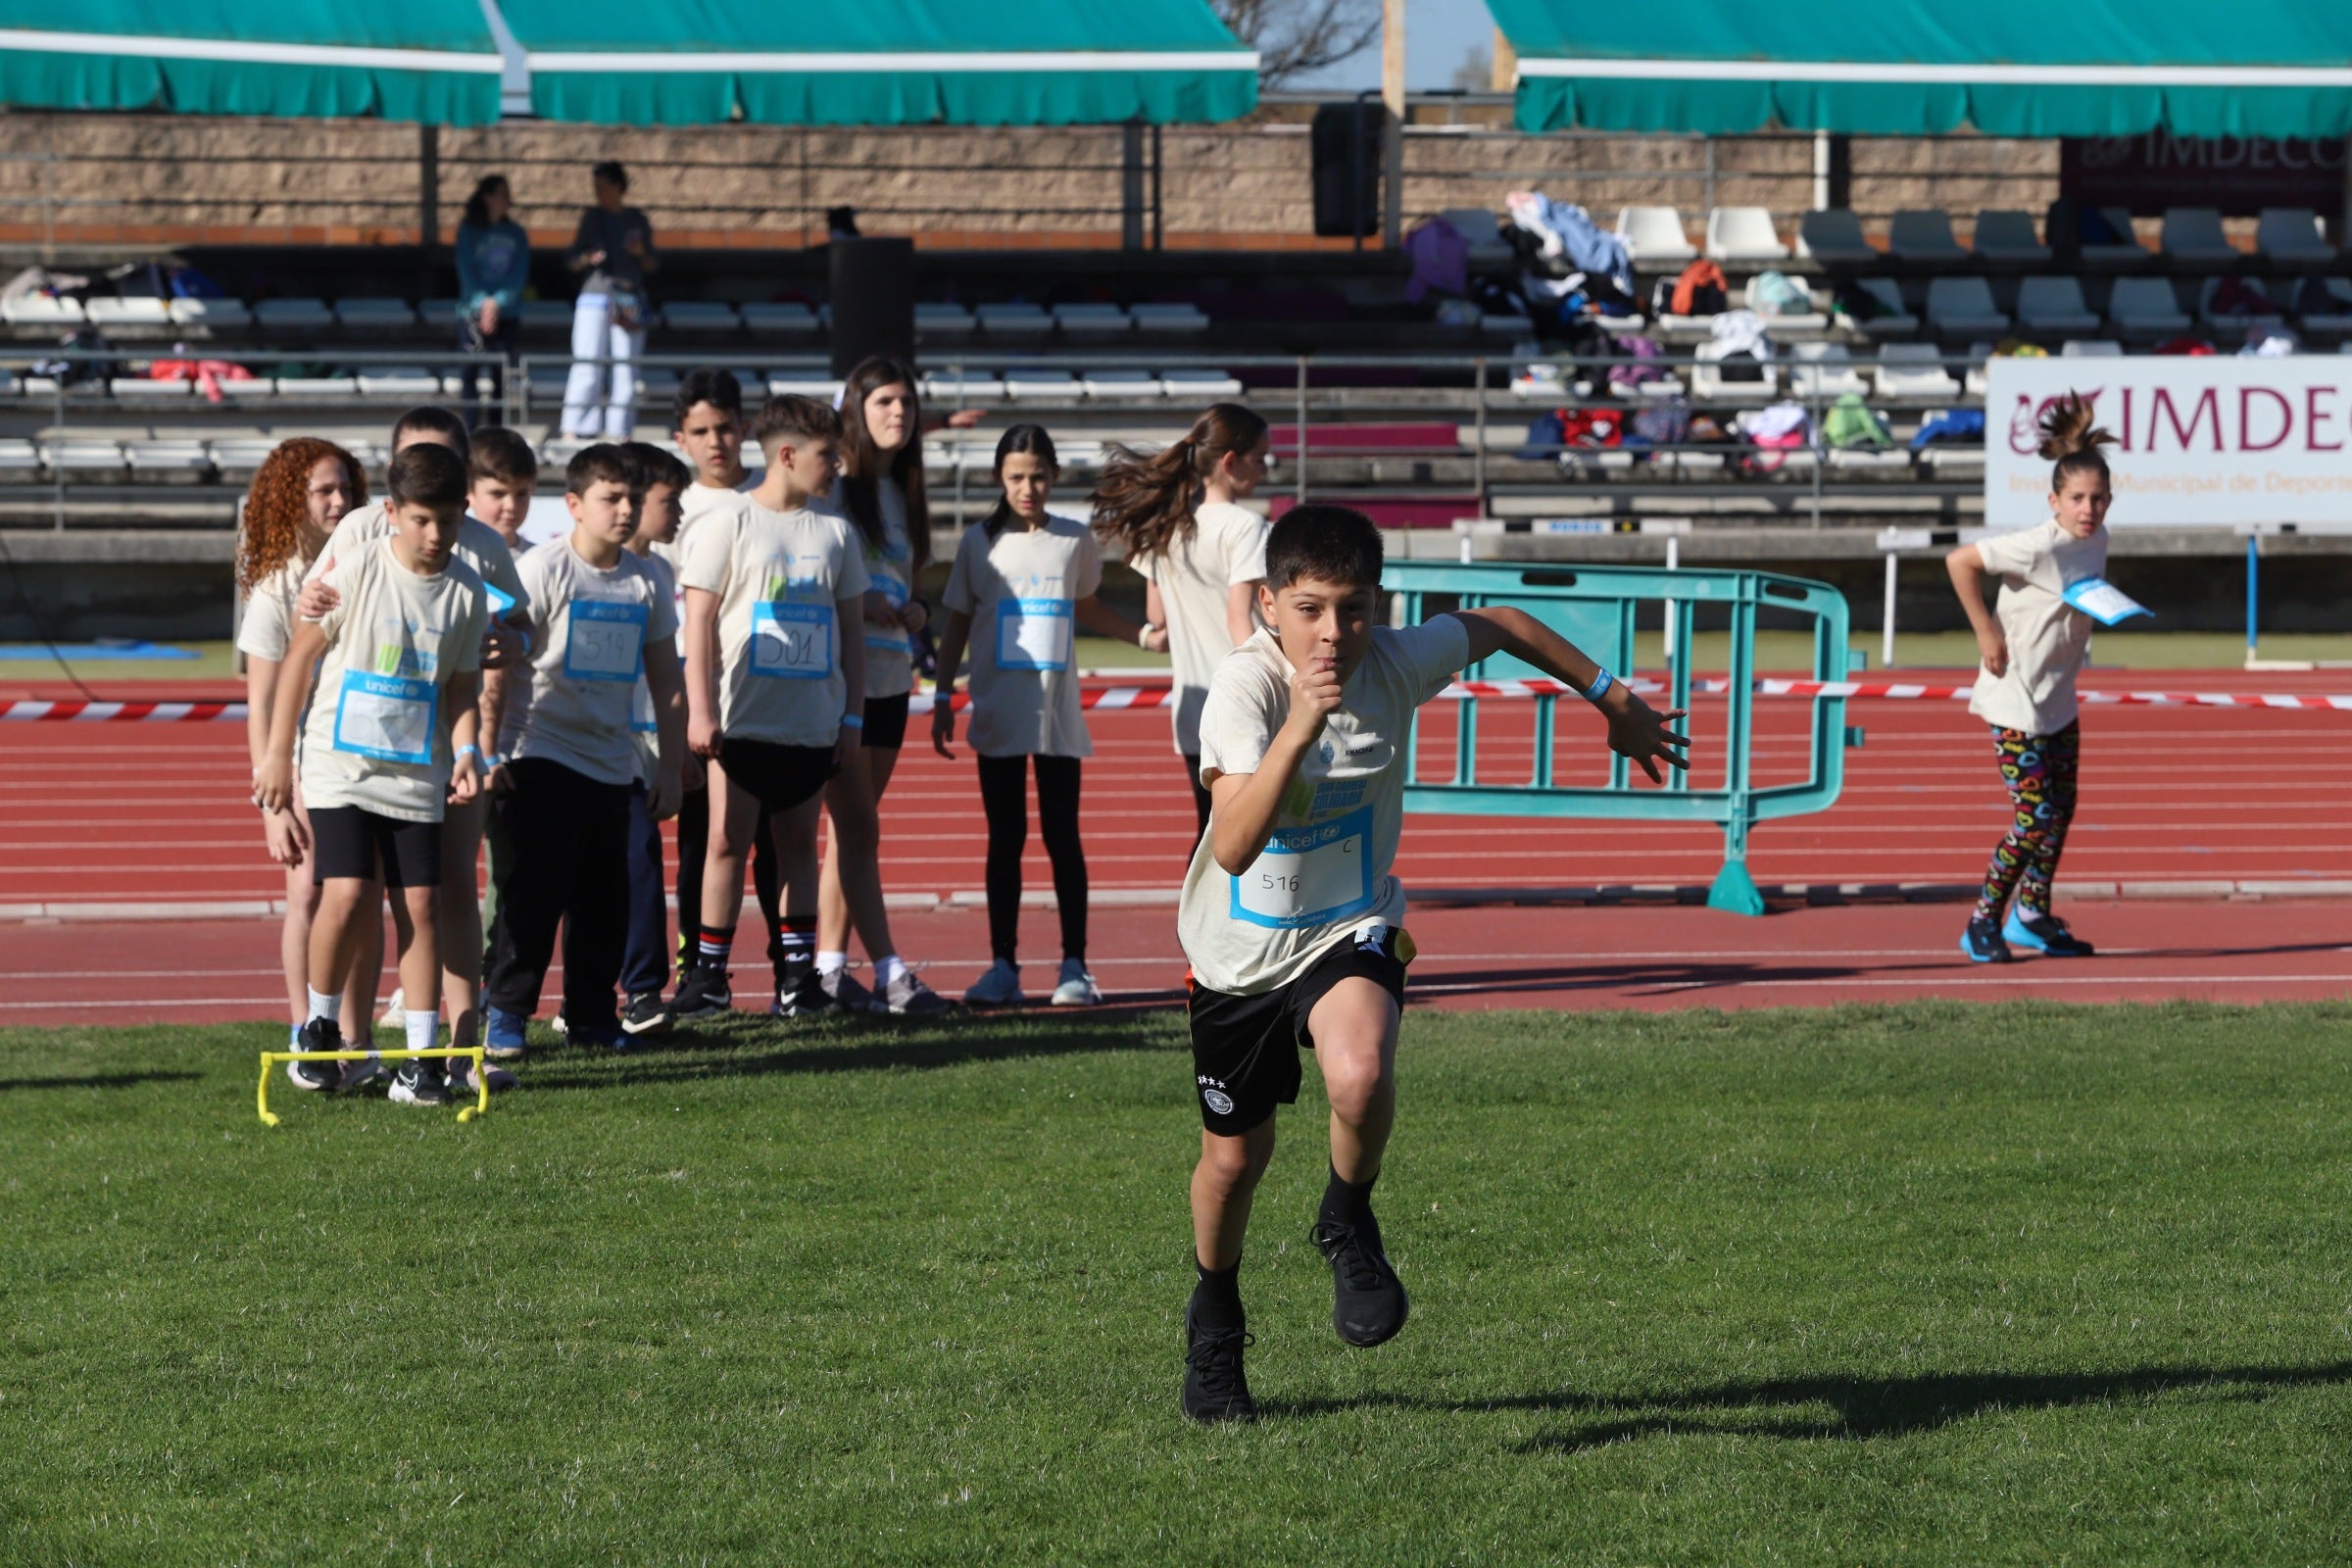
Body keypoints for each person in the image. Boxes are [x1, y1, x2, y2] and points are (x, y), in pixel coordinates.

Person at [1173, 505, 1689, 1421]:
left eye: (1355, 608)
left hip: (1348, 928)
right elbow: (1239, 847)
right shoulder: (1244, 691)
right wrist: (1302, 725)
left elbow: (1505, 624)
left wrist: (1611, 697)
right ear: (1270, 608)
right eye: (1310, 609)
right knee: (1233, 1163)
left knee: (1360, 1073)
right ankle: (1215, 1321)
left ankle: (1347, 1216)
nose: (1335, 632)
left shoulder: (1396, 662)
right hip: (1239, 959)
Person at [298, 407, 530, 1088]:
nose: (433, 524)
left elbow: (521, 625)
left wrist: (513, 641)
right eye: (412, 459)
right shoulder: (361, 531)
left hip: (446, 750)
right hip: (358, 749)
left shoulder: (479, 547)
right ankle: (351, 1041)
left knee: (443, 892)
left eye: (442, 459)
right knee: (356, 892)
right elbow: (314, 612)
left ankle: (456, 1050)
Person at [254, 444, 491, 1108]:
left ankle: (420, 1059)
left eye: (447, 520)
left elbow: (462, 689)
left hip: (415, 772)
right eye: (420, 520)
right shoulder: (358, 568)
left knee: (421, 906)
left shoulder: (467, 592)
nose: (435, 534)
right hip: (340, 765)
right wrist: (277, 757)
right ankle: (320, 1026)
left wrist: (467, 751)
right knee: (348, 890)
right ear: (391, 513)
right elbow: (299, 660)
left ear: (463, 513)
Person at [929, 424, 1163, 1008]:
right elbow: (956, 621)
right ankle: (1002, 967)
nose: (1027, 487)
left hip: (1056, 719)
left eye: (1037, 476)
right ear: (998, 479)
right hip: (998, 714)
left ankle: (1075, 966)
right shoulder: (978, 544)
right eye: (1016, 477)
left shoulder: (1072, 540)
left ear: (1054, 476)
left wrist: (1141, 636)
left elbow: (1088, 607)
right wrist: (941, 696)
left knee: (1063, 838)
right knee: (1005, 840)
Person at [669, 394, 870, 1021]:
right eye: (826, 455)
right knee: (725, 841)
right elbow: (698, 622)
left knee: (797, 845)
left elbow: (853, 633)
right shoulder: (729, 522)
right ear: (787, 454)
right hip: (741, 718)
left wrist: (852, 717)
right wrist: (701, 711)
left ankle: (797, 979)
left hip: (810, 721)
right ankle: (708, 977)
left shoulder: (836, 532)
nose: (836, 465)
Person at [480, 446, 686, 1057]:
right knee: (535, 891)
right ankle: (507, 1013)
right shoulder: (543, 570)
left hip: (612, 761)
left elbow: (667, 681)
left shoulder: (648, 579)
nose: (625, 510)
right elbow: (497, 659)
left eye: (633, 499)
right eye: (610, 498)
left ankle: (592, 1016)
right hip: (538, 749)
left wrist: (671, 767)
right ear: (573, 504)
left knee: (604, 897)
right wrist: (489, 751)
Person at [1944, 394, 2113, 964]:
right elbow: (1960, 561)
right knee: (2034, 816)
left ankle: (2033, 915)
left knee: (2061, 808)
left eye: (2097, 499)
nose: (2088, 508)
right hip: (2014, 698)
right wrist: (1986, 631)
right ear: (2054, 501)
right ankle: (1982, 920)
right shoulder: (2038, 544)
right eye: (2077, 499)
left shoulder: (2099, 539)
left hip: (2057, 698)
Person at [813, 356, 955, 1015]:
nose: (899, 413)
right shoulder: (836, 488)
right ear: (855, 410)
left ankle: (830, 967)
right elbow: (818, 571)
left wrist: (917, 611)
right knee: (856, 827)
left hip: (893, 675)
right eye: (884, 402)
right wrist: (857, 600)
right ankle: (870, 971)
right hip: (844, 677)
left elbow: (909, 582)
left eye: (907, 402)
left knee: (855, 830)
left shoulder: (904, 492)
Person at [236, 437, 373, 1080]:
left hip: (364, 754)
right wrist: (273, 802)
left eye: (346, 488)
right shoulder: (278, 587)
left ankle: (355, 1035)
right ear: (292, 499)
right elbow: (262, 704)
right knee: (310, 892)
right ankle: (305, 1028)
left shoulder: (370, 562)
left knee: (360, 896)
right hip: (302, 764)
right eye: (323, 490)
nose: (338, 501)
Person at [662, 368, 790, 1004]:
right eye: (701, 431)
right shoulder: (674, 509)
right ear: (681, 439)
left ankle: (791, 968)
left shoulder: (772, 498)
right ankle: (699, 969)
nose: (716, 442)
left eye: (726, 427)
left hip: (772, 698)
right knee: (703, 842)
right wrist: (685, 708)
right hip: (702, 704)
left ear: (746, 428)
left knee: (777, 840)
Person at [1091, 402, 1272, 836]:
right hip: (1241, 703)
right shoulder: (1245, 526)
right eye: (1260, 458)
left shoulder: (1168, 526)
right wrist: (1282, 680)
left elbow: (1157, 619)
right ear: (1230, 461)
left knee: (1211, 832)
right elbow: (1238, 619)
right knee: (1251, 834)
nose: (1265, 469)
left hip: (1193, 708)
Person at [615, 441, 692, 1033]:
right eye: (671, 501)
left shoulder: (660, 572)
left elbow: (668, 674)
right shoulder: (572, 566)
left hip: (646, 742)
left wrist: (674, 753)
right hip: (592, 745)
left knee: (642, 862)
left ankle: (642, 992)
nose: (680, 513)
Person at [562, 161, 657, 440]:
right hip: (594, 295)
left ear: (618, 187)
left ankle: (620, 432)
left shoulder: (637, 220)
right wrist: (587, 258)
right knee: (587, 363)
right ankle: (576, 428)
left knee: (626, 368)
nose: (598, 194)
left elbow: (653, 264)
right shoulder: (591, 219)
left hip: (628, 298)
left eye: (603, 187)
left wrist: (640, 252)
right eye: (596, 188)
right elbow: (571, 260)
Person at [454, 174, 528, 423]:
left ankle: (496, 432)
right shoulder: (468, 232)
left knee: (501, 375)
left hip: (507, 314)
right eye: (503, 194)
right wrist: (484, 303)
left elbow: (518, 275)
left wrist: (497, 303)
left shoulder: (516, 234)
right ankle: (470, 429)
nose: (509, 200)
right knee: (470, 373)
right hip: (471, 313)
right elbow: (466, 271)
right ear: (488, 197)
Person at [466, 425, 538, 554]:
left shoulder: (541, 560)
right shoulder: (448, 558)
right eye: (498, 494)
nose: (511, 506)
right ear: (468, 492)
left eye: (521, 494)